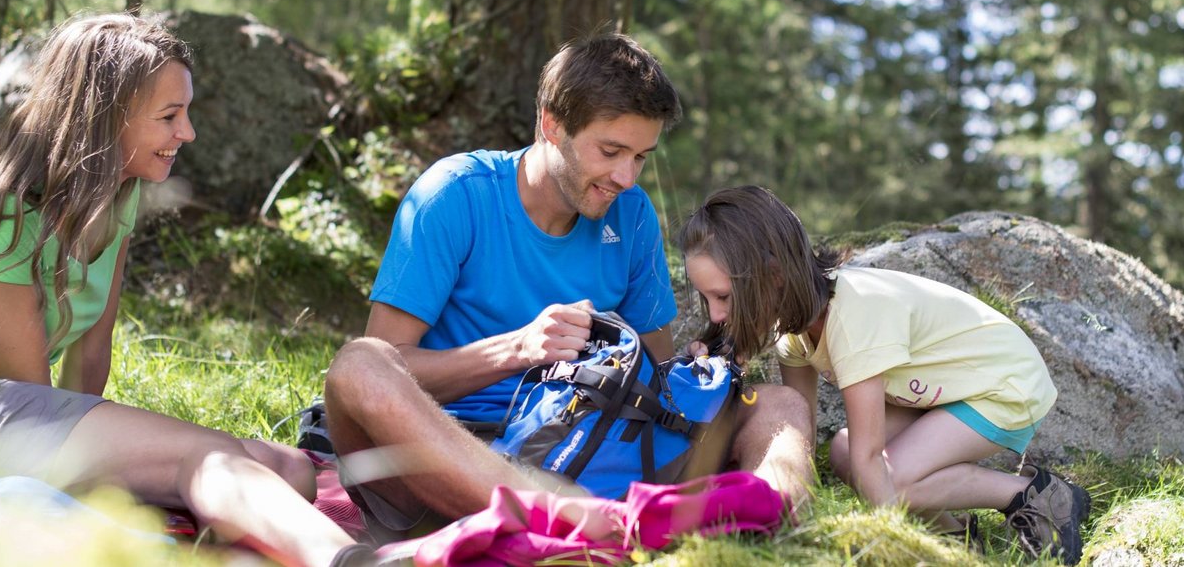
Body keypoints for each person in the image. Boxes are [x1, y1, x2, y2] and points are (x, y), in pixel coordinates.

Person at [0, 14, 368, 567]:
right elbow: (36, 398)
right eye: (169, 116)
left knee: (290, 470)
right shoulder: (8, 209)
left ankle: (202, 518)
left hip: (21, 412)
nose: (188, 133)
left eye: (187, 113)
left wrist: (127, 452)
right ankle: (349, 562)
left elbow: (88, 357)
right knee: (209, 458)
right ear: (105, 119)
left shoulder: (119, 195)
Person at [320, 35, 815, 541]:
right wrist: (516, 349)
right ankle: (569, 520)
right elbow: (390, 362)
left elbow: (656, 374)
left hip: (589, 447)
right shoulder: (453, 196)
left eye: (641, 157)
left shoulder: (632, 213)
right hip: (454, 454)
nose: (625, 176)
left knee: (778, 407)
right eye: (611, 150)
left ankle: (772, 520)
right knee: (359, 365)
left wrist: (696, 373)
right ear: (551, 124)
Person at [677, 185, 1092, 565]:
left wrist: (892, 545)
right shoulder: (795, 336)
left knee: (889, 476)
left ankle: (1033, 495)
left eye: (724, 297)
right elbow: (800, 438)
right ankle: (955, 535)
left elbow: (872, 459)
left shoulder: (854, 316)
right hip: (946, 393)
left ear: (774, 275)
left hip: (1003, 383)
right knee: (842, 451)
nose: (715, 313)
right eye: (708, 297)